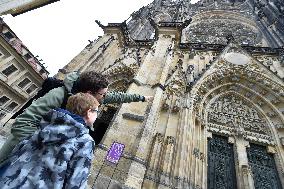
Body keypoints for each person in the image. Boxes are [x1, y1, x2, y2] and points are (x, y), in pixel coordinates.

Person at [0, 71, 153, 166]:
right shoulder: (58, 95)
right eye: (103, 94)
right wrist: (46, 146)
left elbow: (116, 96)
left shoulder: (90, 98)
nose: (105, 97)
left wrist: (140, 97)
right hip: (16, 152)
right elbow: (23, 122)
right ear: (89, 92)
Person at [0, 93, 99, 188]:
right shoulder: (85, 140)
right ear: (89, 112)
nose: (97, 116)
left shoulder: (46, 124)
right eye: (96, 112)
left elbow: (18, 150)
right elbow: (76, 181)